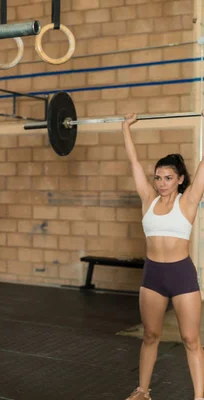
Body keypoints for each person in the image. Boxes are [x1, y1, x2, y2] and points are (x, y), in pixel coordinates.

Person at [122, 113, 204, 400]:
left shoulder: (189, 200)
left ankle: (199, 397)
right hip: (153, 276)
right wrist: (126, 128)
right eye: (158, 177)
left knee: (191, 339)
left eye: (168, 178)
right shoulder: (148, 198)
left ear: (181, 179)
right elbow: (134, 162)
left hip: (181, 275)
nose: (161, 182)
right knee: (150, 336)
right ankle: (143, 390)